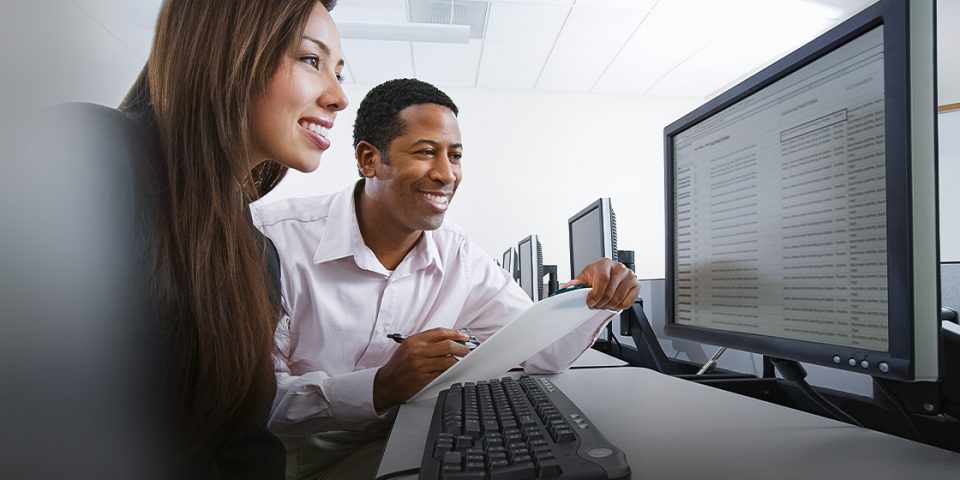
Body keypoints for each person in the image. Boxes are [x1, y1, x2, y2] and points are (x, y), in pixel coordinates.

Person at [253, 78, 639, 479]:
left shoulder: (457, 253)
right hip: (291, 459)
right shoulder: (274, 238)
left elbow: (542, 353)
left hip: (401, 434)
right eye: (426, 152)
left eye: (455, 156)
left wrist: (593, 300)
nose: (446, 174)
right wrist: (381, 386)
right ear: (369, 160)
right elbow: (256, 402)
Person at [29, 1, 348, 478]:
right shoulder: (88, 152)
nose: (339, 96)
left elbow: (240, 445)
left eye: (340, 71)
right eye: (311, 60)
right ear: (230, 50)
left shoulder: (255, 255)